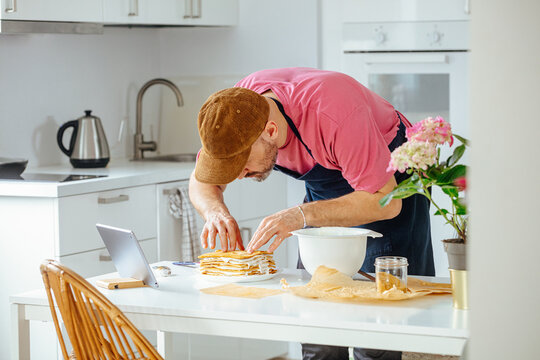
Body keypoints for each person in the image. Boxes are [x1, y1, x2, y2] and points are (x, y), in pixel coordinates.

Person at [188, 67, 435, 360]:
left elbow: (386, 201)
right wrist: (215, 211)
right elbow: (202, 182)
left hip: (387, 182)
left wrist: (300, 215)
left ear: (270, 131)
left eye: (242, 164)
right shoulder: (232, 114)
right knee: (317, 319)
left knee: (375, 328)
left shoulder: (333, 112)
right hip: (328, 185)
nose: (238, 176)